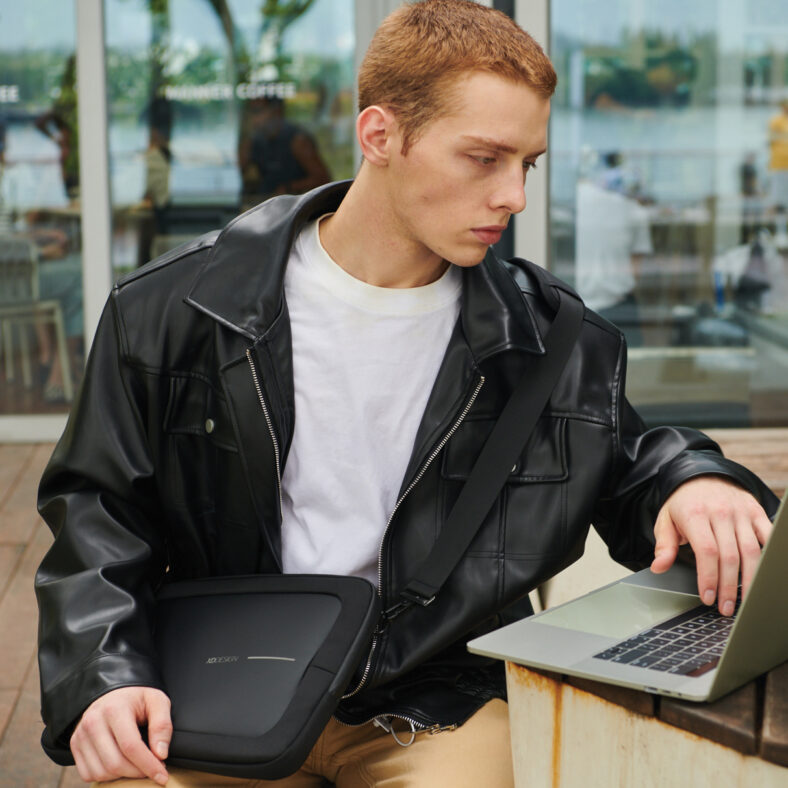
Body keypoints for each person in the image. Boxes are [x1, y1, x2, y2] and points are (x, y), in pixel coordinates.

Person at [35, 2, 778, 786]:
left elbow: (631, 463)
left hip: (436, 695)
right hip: (218, 677)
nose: (515, 197)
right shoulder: (171, 310)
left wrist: (697, 477)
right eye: (484, 158)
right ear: (380, 135)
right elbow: (96, 510)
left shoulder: (553, 340)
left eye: (528, 162)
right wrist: (105, 678)